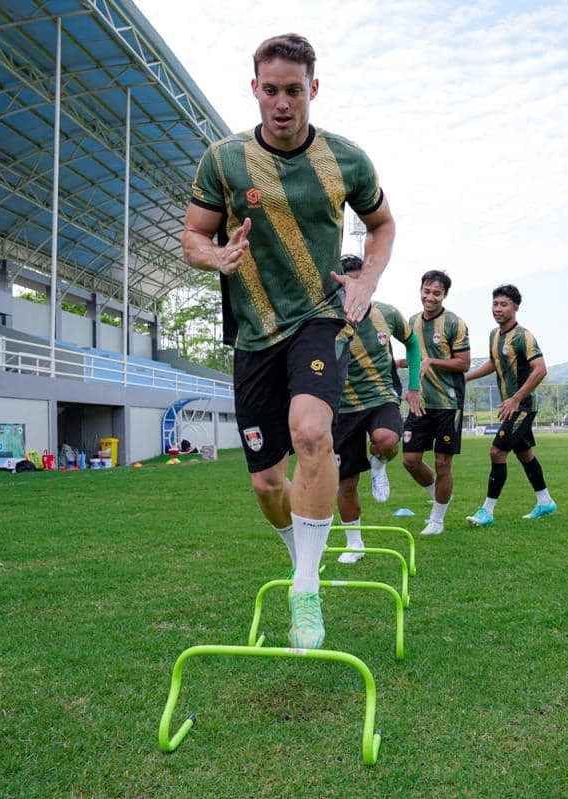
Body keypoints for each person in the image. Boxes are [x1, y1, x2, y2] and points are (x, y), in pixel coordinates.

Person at [182, 33, 395, 650]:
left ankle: (306, 586)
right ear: (254, 88)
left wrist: (367, 277)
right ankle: (300, 555)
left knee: (312, 433)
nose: (282, 102)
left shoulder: (346, 160)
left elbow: (381, 224)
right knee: (265, 485)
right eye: (270, 89)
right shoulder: (222, 160)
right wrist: (215, 255)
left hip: (320, 318)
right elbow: (193, 236)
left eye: (293, 91)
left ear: (313, 90)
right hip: (254, 333)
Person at [333, 255, 423, 563]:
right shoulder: (328, 317)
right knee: (345, 483)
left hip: (381, 396)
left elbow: (412, 345)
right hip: (342, 408)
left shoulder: (387, 313)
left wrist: (413, 386)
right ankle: (354, 543)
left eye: (361, 281)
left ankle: (379, 464)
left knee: (386, 440)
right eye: (348, 281)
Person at [462, 285, 557, 525]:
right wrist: (466, 377)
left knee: (497, 452)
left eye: (503, 305)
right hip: (513, 406)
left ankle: (487, 511)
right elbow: (494, 363)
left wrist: (515, 398)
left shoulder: (524, 336)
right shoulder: (495, 335)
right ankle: (545, 501)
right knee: (524, 454)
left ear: (515, 307)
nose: (498, 309)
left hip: (523, 405)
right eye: (495, 304)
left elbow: (540, 369)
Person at [399, 270, 470, 536]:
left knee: (442, 462)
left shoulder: (455, 323)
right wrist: (395, 363)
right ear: (420, 290)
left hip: (448, 403)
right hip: (420, 401)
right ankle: (439, 494)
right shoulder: (411, 322)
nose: (430, 298)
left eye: (436, 293)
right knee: (410, 459)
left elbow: (462, 363)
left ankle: (437, 519)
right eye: (427, 292)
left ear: (445, 295)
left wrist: (433, 361)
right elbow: (415, 358)